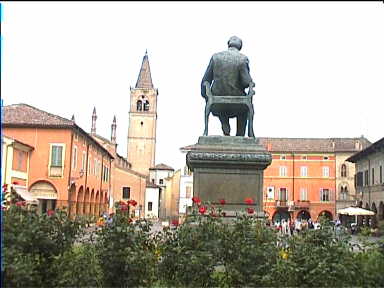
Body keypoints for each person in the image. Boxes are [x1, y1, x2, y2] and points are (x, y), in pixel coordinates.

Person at [201, 36, 254, 136]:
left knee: (220, 98)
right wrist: (251, 82)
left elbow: (205, 80)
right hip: (238, 102)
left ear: (228, 44)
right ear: (240, 47)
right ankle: (240, 135)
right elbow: (246, 82)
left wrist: (206, 97)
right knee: (245, 109)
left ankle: (224, 122)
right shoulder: (243, 59)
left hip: (216, 102)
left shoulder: (215, 57)